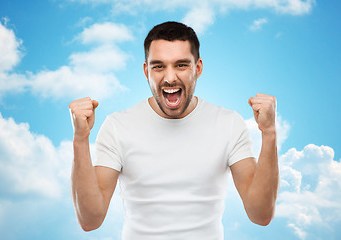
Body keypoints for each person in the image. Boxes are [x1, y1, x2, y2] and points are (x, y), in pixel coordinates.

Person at [69, 21, 279, 240]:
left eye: (181, 65)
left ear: (197, 68)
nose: (170, 78)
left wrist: (269, 131)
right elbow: (90, 220)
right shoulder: (118, 126)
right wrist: (80, 138)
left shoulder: (228, 123)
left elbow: (261, 214)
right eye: (158, 66)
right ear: (146, 70)